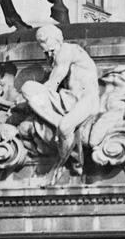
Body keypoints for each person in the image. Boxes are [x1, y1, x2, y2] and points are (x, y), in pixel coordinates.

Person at [20, 23, 101, 167]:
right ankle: (64, 134)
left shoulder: (66, 51)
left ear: (57, 40)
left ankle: (72, 163)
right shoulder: (60, 54)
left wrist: (28, 104)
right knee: (28, 88)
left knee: (64, 127)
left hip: (85, 100)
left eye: (51, 50)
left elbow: (52, 84)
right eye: (45, 51)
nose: (49, 54)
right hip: (67, 100)